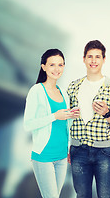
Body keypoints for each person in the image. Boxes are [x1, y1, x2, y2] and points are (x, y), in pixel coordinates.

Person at [67, 40, 110, 198]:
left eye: (98, 57)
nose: (93, 60)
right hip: (78, 150)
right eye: (90, 56)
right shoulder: (73, 87)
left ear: (104, 59)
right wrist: (68, 146)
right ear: (84, 59)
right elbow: (69, 120)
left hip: (104, 152)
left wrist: (107, 113)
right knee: (81, 195)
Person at [24, 49, 79, 198]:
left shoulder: (63, 93)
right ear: (43, 66)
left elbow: (64, 125)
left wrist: (72, 116)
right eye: (52, 65)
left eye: (60, 65)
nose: (57, 69)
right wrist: (54, 116)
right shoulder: (36, 91)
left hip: (61, 156)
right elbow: (28, 124)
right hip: (44, 156)